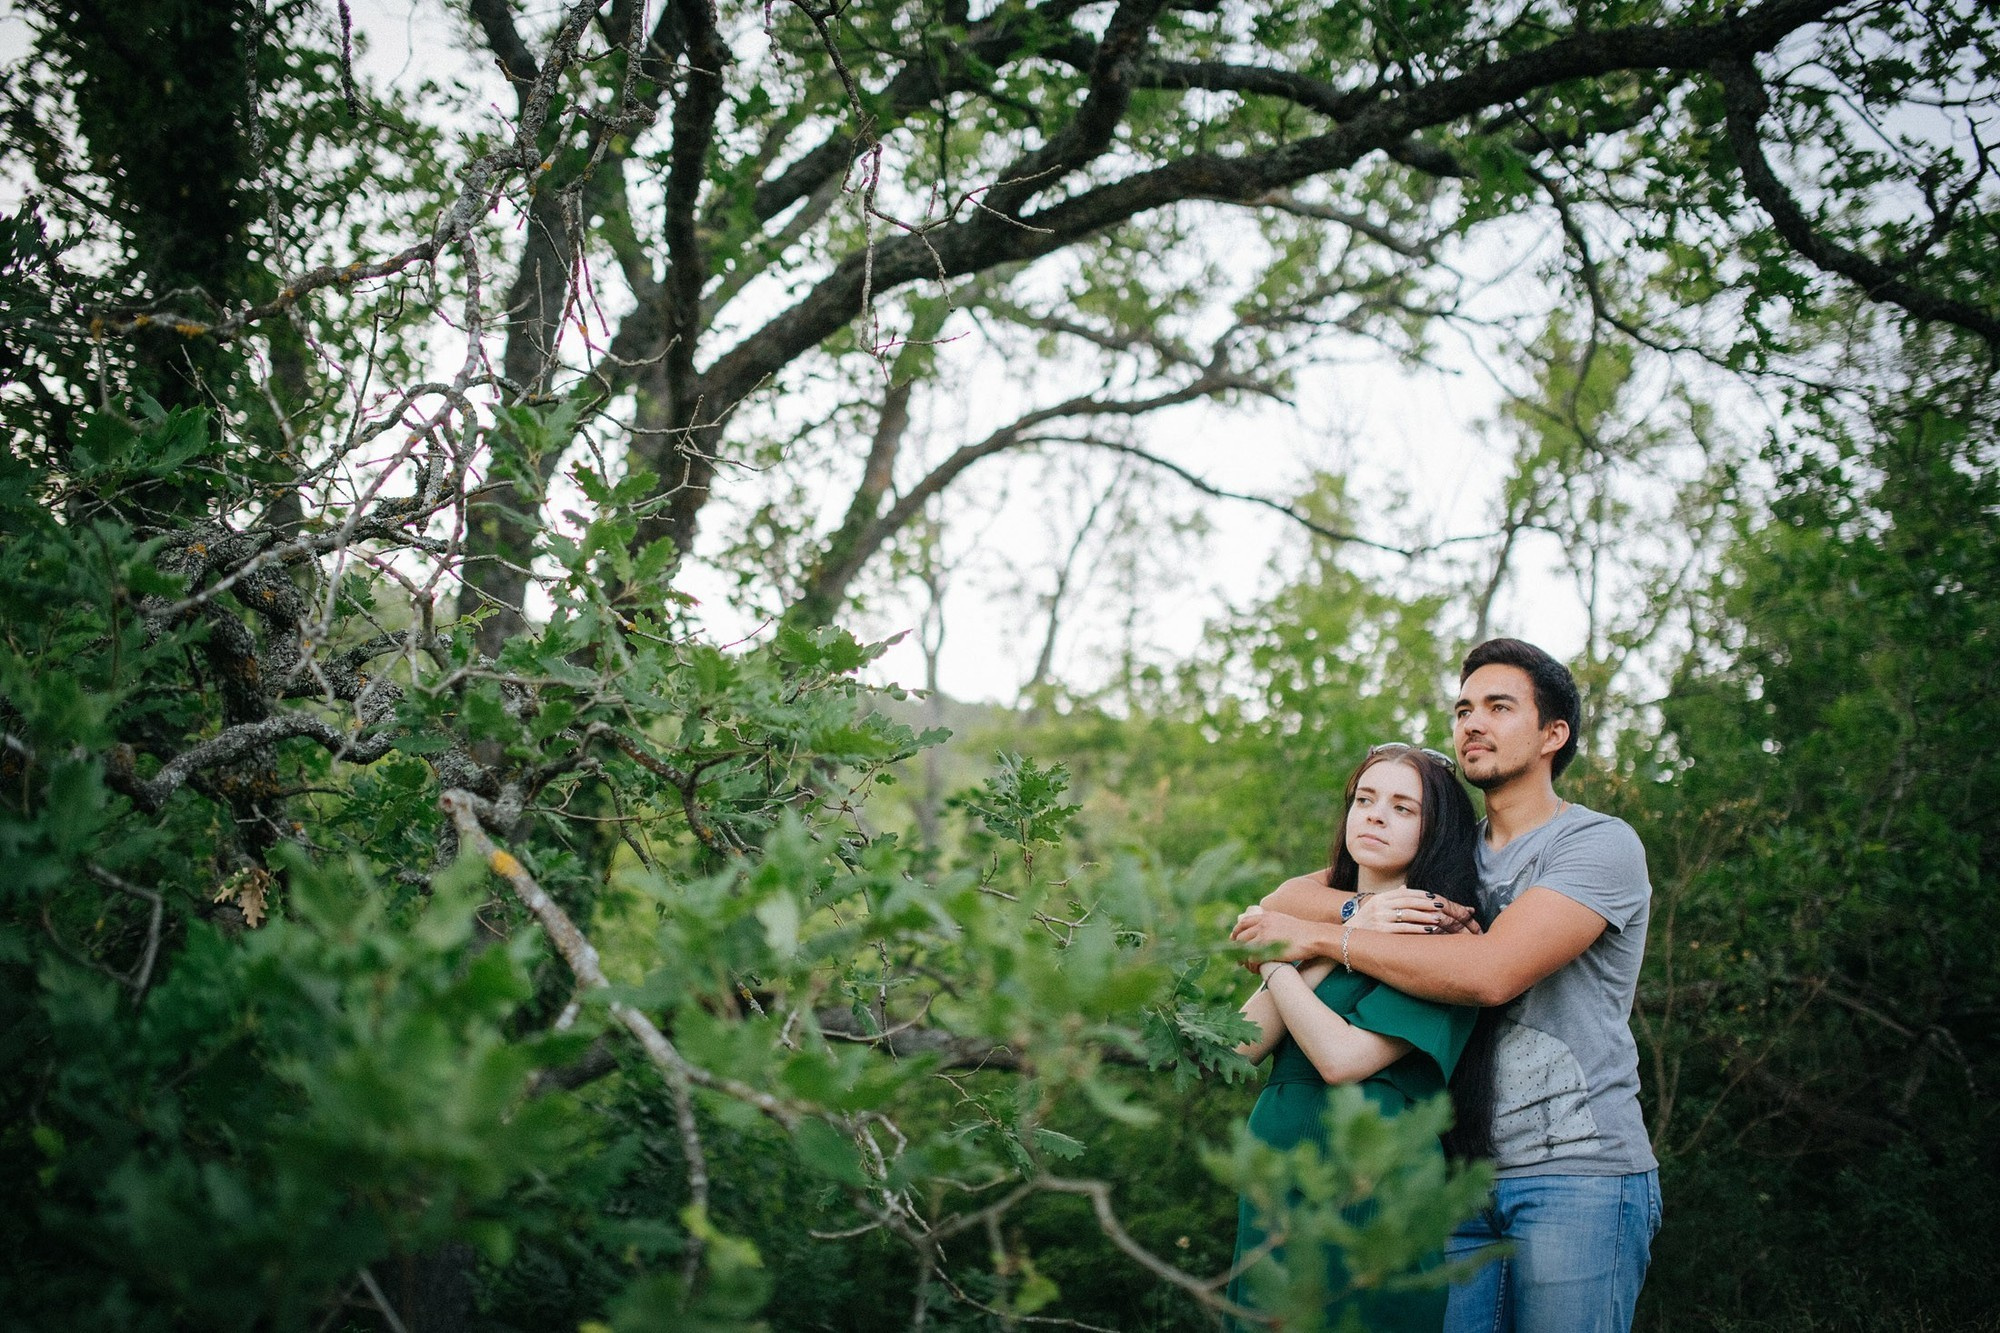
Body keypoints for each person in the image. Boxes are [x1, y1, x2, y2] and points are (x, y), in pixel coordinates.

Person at [1232, 638, 1660, 1333]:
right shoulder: (1447, 849)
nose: (1472, 722)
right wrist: (1357, 911)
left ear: (1555, 734)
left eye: (1498, 706)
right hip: (1455, 1177)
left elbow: (1491, 973)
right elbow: (1284, 896)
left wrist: (1316, 939)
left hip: (1575, 1170)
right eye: (1463, 708)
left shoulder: (1595, 845)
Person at [1227, 742, 1494, 1331]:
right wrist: (1332, 929)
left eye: (1404, 808)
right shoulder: (1326, 920)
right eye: (1365, 800)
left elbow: (1341, 1057)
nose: (1374, 815)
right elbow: (1239, 1046)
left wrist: (1275, 958)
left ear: (1436, 832)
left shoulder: (1448, 946)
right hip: (1277, 1170)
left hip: (1371, 1178)